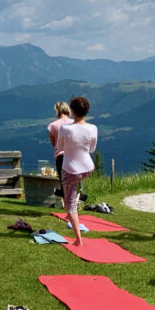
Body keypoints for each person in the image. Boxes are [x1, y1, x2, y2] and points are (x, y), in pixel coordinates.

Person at [56, 96, 97, 246]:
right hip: (87, 168)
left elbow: (59, 148)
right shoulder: (93, 128)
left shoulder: (65, 129)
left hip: (70, 170)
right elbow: (92, 149)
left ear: (71, 111)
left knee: (70, 205)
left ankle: (78, 240)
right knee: (72, 192)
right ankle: (72, 205)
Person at [47, 101, 72, 203]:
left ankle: (67, 207)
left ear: (57, 111)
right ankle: (72, 204)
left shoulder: (53, 125)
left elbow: (53, 142)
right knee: (73, 182)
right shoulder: (74, 123)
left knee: (63, 183)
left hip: (61, 156)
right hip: (74, 156)